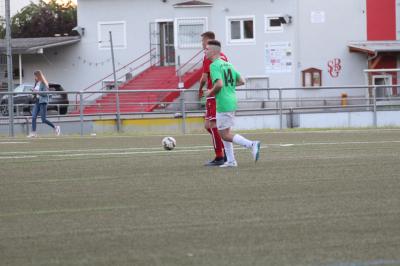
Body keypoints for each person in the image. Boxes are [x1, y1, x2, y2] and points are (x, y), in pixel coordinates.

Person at [205, 40, 260, 167]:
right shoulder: (228, 64)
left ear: (213, 51)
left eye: (207, 49)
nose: (205, 51)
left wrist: (210, 92)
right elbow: (242, 81)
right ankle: (231, 161)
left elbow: (218, 84)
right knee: (225, 131)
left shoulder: (214, 66)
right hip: (231, 100)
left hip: (224, 102)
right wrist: (228, 86)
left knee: (224, 134)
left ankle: (251, 144)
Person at [198, 31, 228, 166]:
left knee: (213, 125)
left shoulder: (208, 56)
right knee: (208, 125)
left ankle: (220, 156)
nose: (202, 44)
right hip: (223, 94)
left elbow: (204, 77)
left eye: (203, 41)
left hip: (213, 94)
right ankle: (225, 150)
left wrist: (200, 89)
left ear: (208, 41)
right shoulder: (224, 56)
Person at [27, 70, 61, 138]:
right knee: (33, 117)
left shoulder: (44, 83)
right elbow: (36, 92)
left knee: (43, 120)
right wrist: (33, 91)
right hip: (37, 101)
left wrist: (37, 91)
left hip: (43, 102)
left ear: (38, 76)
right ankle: (33, 133)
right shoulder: (37, 83)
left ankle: (56, 127)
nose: (34, 77)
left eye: (35, 76)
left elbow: (45, 94)